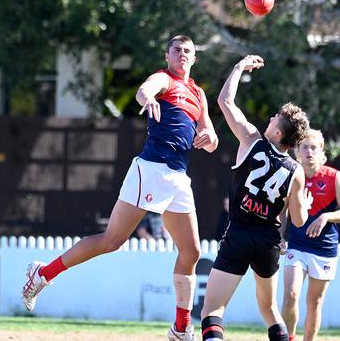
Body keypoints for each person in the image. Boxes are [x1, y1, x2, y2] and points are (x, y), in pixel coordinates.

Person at [21, 35, 218, 341]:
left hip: (178, 177)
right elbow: (144, 90)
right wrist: (147, 99)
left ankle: (180, 327)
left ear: (194, 58)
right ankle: (43, 274)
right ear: (167, 56)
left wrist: (209, 139)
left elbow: (212, 137)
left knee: (191, 251)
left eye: (188, 51)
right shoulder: (163, 79)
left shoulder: (198, 93)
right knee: (112, 240)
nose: (182, 54)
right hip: (151, 169)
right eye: (177, 50)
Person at [199, 55, 311, 341]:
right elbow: (298, 220)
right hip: (268, 241)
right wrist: (304, 205)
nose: (271, 117)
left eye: (275, 117)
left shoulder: (251, 139)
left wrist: (238, 67)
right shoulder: (296, 171)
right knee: (270, 309)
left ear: (276, 131)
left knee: (212, 309)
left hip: (239, 233)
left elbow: (225, 101)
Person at [281, 129, 340, 341]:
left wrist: (325, 217)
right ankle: (289, 337)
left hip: (324, 249)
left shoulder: (334, 177)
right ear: (297, 152)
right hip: (297, 245)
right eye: (304, 147)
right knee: (291, 294)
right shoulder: (292, 175)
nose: (309, 152)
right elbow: (282, 211)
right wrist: (280, 236)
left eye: (314, 147)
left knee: (314, 302)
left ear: (322, 152)